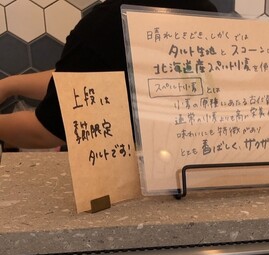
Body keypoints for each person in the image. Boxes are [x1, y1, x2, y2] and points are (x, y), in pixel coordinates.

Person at [0, 0, 217, 150]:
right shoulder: (205, 10)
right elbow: (82, 79)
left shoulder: (106, 22)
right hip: (197, 165)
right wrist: (10, 85)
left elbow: (46, 131)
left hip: (134, 182)